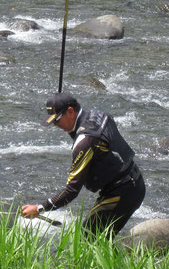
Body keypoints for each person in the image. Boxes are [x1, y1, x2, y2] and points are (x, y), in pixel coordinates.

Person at [21, 92, 145, 236]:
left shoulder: (85, 141)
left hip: (122, 192)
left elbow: (71, 191)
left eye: (57, 120)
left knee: (87, 239)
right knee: (100, 239)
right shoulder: (99, 116)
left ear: (70, 111)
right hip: (134, 183)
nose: (55, 125)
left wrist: (39, 208)